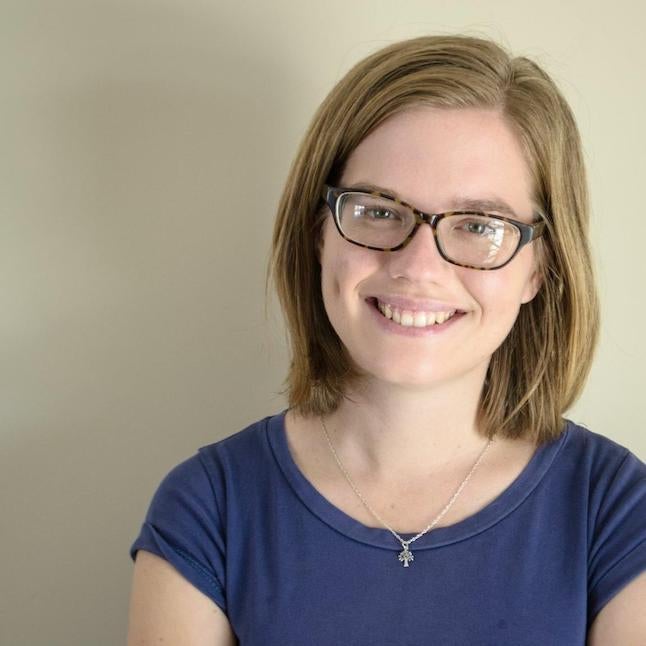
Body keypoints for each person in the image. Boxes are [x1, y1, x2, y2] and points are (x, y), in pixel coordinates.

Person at [126, 35, 646, 644]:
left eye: (479, 224)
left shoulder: (615, 513)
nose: (418, 266)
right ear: (319, 232)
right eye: (378, 210)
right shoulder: (207, 508)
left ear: (538, 268)